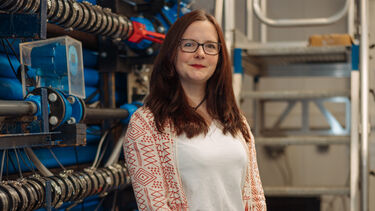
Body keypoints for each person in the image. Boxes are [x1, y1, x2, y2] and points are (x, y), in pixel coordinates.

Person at [123, 9, 266, 211]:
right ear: (172, 52)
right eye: (189, 45)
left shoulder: (236, 121)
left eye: (209, 46)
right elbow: (154, 206)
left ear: (219, 57)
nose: (200, 53)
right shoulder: (146, 124)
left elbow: (256, 197)